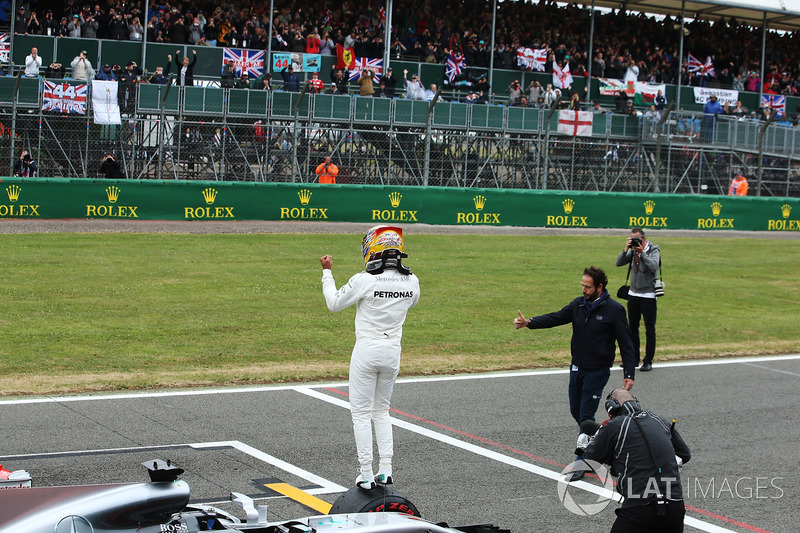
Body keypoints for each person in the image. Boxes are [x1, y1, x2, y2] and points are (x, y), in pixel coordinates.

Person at [319, 225, 420, 489]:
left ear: (372, 249)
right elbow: (412, 301)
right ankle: (385, 469)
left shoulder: (364, 279)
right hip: (393, 352)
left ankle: (365, 473)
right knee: (382, 410)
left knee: (361, 414)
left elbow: (333, 303)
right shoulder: (412, 281)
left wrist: (327, 273)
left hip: (366, 350)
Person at [514, 266, 635, 481]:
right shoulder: (578, 304)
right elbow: (556, 317)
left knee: (586, 415)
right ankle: (604, 441)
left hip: (597, 371)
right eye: (582, 285)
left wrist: (629, 372)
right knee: (577, 413)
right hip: (577, 366)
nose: (583, 290)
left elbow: (626, 343)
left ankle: (583, 462)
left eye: (587, 287)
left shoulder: (614, 310)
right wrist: (529, 322)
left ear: (600, 287)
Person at [580, 388, 691, 532]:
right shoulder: (659, 420)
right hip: (674, 505)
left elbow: (589, 463)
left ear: (612, 407)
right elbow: (684, 454)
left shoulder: (613, 426)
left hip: (639, 507)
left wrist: (584, 448)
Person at [616, 228, 660, 372]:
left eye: (637, 239)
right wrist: (626, 249)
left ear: (643, 238)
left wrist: (642, 253)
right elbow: (618, 263)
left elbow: (654, 266)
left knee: (649, 329)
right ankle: (634, 359)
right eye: (632, 239)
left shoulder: (653, 249)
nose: (636, 242)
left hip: (648, 295)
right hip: (633, 294)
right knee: (632, 328)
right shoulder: (633, 251)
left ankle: (648, 361)